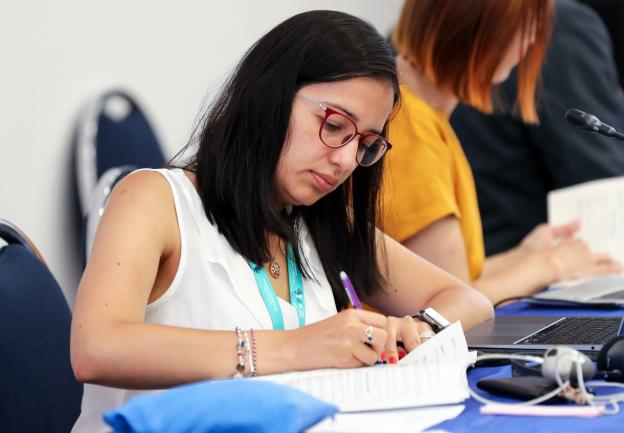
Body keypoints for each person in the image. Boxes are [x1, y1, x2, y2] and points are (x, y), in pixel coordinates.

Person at [70, 10, 493, 433]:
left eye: (366, 143)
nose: (346, 160)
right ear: (269, 95)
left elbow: (470, 302)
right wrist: (298, 347)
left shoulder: (318, 225)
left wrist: (413, 330)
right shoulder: (154, 199)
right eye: (333, 125)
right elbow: (96, 348)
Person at [380, 0, 623, 306]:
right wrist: (551, 266)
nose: (531, 39)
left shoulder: (423, 116)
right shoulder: (412, 130)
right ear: (475, 27)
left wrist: (523, 256)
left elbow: (453, 278)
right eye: (523, 26)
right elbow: (447, 306)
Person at [450, 0, 624, 255]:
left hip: (467, 269)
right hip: (528, 274)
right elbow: (603, 190)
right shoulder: (560, 24)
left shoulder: (407, 32)